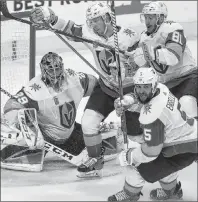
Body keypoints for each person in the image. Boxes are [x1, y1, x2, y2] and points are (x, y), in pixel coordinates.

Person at [30, 2, 141, 177]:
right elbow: (70, 28)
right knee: (89, 122)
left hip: (130, 90)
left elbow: (144, 62)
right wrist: (51, 17)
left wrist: (127, 65)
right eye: (90, 21)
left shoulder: (129, 36)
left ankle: (153, 156)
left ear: (106, 18)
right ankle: (95, 161)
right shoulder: (91, 33)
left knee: (136, 133)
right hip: (106, 86)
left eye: (95, 21)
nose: (91, 25)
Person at [1, 52, 122, 172]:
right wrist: (28, 130)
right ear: (43, 71)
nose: (54, 74)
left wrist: (112, 84)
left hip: (70, 133)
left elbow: (97, 85)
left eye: (57, 69)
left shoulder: (74, 78)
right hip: (45, 138)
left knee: (106, 148)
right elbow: (11, 107)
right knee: (16, 158)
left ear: (62, 67)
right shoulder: (34, 89)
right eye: (50, 70)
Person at [107, 67, 197, 201]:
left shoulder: (153, 115)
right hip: (188, 139)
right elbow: (144, 99)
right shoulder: (161, 88)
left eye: (145, 87)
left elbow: (151, 152)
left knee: (136, 166)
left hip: (182, 148)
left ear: (153, 85)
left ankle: (130, 194)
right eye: (138, 87)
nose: (141, 91)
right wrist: (129, 101)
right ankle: (171, 192)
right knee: (164, 166)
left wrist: (129, 155)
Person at [127, 1, 197, 119]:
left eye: (151, 17)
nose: (147, 21)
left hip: (188, 77)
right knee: (150, 110)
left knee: (187, 103)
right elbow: (143, 64)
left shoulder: (173, 28)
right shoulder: (144, 37)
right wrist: (132, 65)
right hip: (165, 84)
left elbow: (173, 56)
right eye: (145, 17)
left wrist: (149, 52)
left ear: (160, 18)